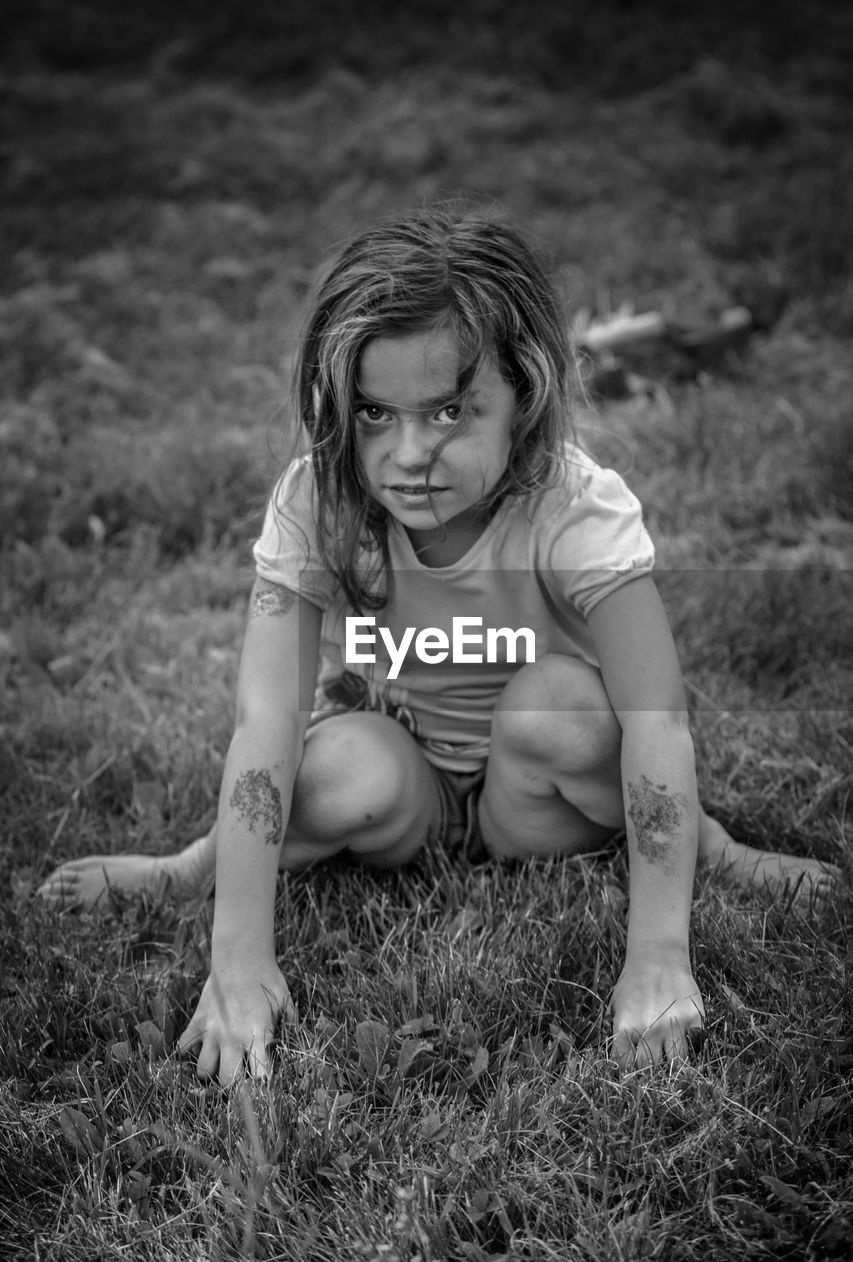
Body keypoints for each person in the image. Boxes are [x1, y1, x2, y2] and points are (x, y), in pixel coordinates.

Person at [39, 207, 833, 1083]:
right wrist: (236, 964)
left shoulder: (575, 507)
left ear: (524, 396)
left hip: (540, 791)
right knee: (339, 758)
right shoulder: (320, 500)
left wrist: (655, 956)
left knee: (560, 706)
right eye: (374, 412)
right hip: (406, 781)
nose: (408, 453)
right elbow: (263, 722)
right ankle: (187, 867)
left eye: (452, 409)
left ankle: (709, 844)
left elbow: (658, 723)